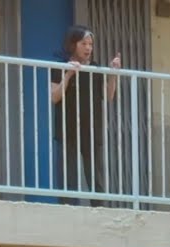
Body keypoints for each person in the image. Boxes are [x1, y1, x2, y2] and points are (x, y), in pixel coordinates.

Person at [50, 25, 121, 205]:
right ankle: (68, 211)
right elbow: (54, 97)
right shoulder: (60, 65)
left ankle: (100, 211)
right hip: (68, 129)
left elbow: (108, 95)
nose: (89, 48)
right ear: (73, 44)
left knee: (95, 176)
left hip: (91, 129)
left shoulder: (95, 68)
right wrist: (68, 75)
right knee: (68, 177)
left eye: (91, 44)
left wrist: (114, 74)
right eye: (84, 43)